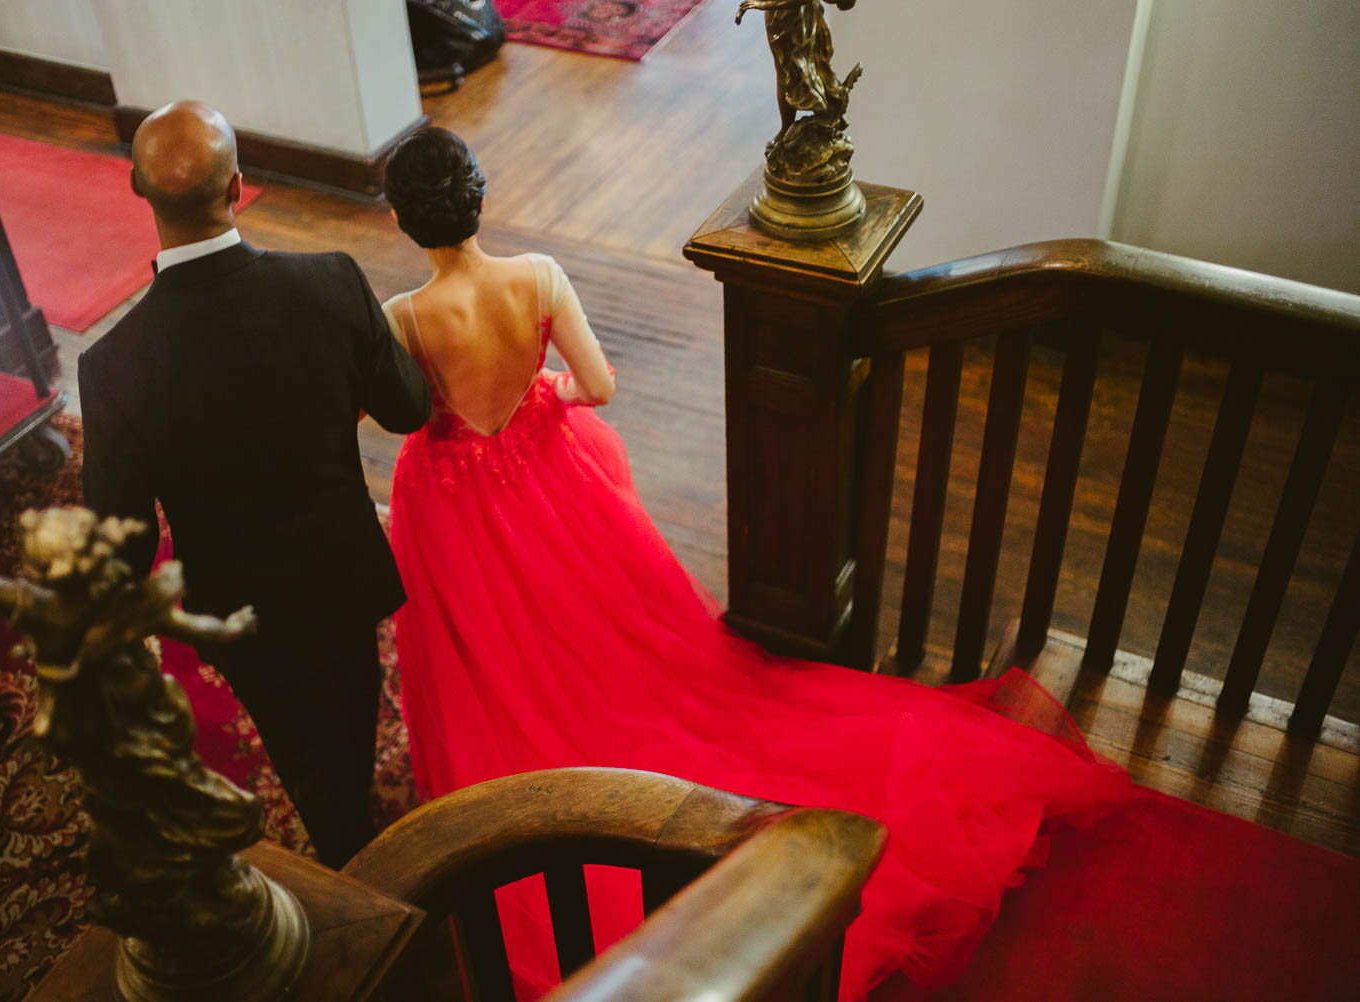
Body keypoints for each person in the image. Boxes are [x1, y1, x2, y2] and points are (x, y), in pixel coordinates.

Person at [379, 127, 1131, 999]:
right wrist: (539, 397)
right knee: (607, 627)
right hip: (554, 479)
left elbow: (400, 418)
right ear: (477, 196)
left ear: (403, 218)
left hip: (461, 508)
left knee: (498, 645)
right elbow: (599, 387)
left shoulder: (405, 315)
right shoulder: (539, 276)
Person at [79, 101, 430, 868]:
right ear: (239, 186)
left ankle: (346, 857)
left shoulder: (111, 367)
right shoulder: (332, 284)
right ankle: (358, 833)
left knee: (305, 754)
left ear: (138, 190)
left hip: (239, 608)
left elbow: (122, 541)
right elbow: (409, 408)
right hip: (344, 570)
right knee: (352, 708)